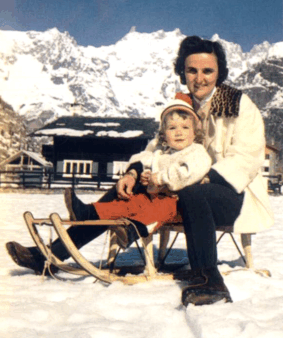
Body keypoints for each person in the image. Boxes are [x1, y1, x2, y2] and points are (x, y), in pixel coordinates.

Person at [6, 36, 274, 308]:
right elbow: (154, 149)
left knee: (195, 191)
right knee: (128, 187)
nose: (200, 78)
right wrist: (133, 173)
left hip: (233, 195)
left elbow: (246, 158)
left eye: (208, 71)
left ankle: (210, 282)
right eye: (192, 70)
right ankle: (51, 254)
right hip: (176, 190)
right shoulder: (180, 108)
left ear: (220, 73)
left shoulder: (238, 104)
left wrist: (200, 178)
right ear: (183, 72)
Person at [63, 99, 211, 249]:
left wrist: (160, 178)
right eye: (172, 128)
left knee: (158, 210)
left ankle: (131, 231)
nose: (179, 132)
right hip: (153, 197)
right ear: (164, 135)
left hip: (179, 203)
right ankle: (89, 212)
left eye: (185, 127)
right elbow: (147, 161)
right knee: (128, 204)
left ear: (195, 133)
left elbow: (190, 172)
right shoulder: (161, 154)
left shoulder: (196, 152)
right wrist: (146, 175)